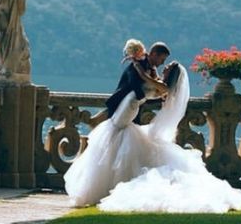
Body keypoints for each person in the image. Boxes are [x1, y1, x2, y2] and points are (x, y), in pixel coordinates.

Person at [97, 62, 241, 213]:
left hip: (155, 129)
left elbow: (150, 91)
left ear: (171, 75)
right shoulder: (163, 87)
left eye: (168, 67)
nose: (165, 67)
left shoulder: (164, 88)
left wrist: (141, 72)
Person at [64, 40, 170, 207]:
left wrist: (156, 90)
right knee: (115, 142)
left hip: (132, 108)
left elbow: (144, 89)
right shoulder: (138, 65)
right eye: (161, 59)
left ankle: (117, 185)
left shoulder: (149, 67)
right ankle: (107, 186)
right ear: (154, 54)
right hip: (123, 105)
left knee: (123, 145)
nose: (161, 63)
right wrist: (156, 90)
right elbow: (137, 88)